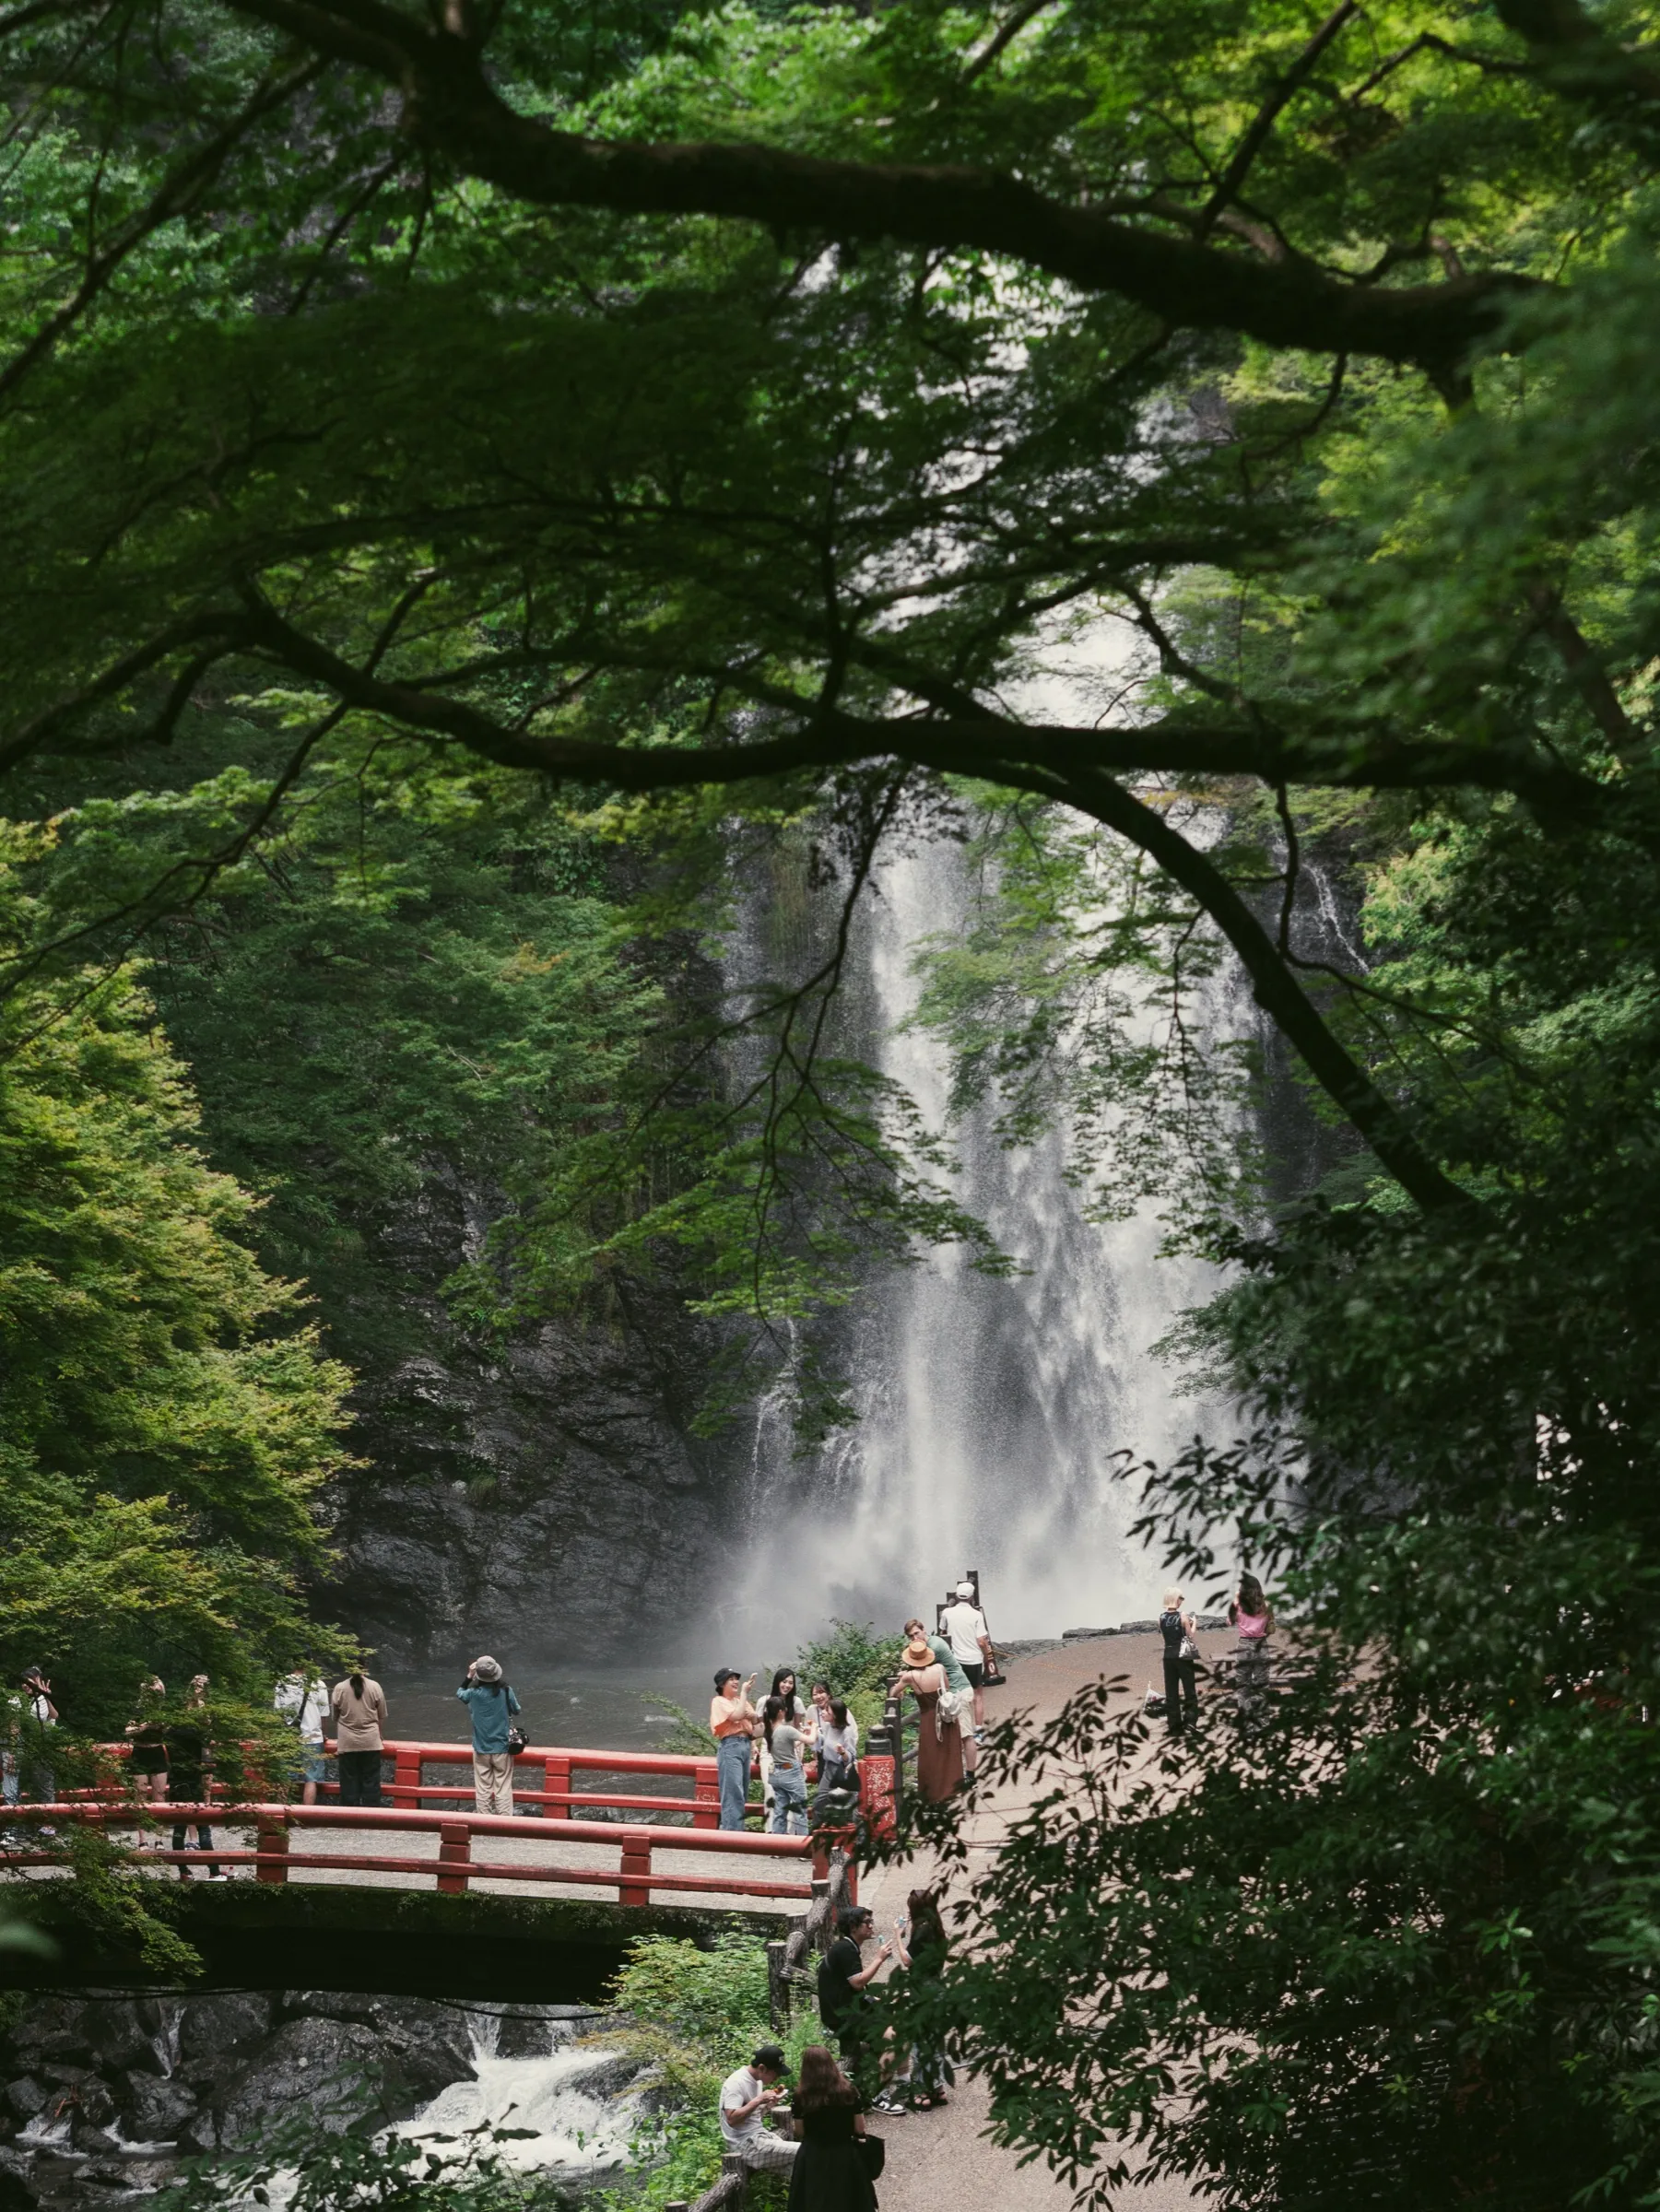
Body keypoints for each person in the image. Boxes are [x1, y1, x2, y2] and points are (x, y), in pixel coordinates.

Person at [877, 1887, 951, 2113]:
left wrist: (899, 1935)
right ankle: (937, 2087)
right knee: (936, 2040)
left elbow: (908, 1960)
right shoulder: (938, 1928)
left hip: (923, 1992)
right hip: (938, 1988)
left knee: (920, 2042)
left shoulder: (921, 1932)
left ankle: (921, 2093)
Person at [786, 2043, 878, 2210]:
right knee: (849, 2200)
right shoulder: (849, 2091)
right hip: (844, 2153)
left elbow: (800, 2132)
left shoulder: (800, 2096)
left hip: (813, 2156)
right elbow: (859, 2128)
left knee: (813, 2200)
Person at [817, 1903, 893, 2088]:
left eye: (871, 1921)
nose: (871, 1926)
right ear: (853, 1927)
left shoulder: (848, 1947)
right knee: (893, 2035)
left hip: (848, 2010)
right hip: (841, 2017)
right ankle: (879, 2092)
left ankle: (878, 2072)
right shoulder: (845, 1949)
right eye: (866, 1922)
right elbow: (857, 1983)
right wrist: (878, 1959)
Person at [890, 1624, 964, 1800]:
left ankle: (933, 1794)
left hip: (929, 1717)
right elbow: (946, 1688)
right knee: (948, 1752)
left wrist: (900, 1684)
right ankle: (951, 1790)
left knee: (931, 1756)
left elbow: (893, 1693)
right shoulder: (940, 1669)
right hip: (946, 1715)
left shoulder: (910, 1677)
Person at [168, 1676, 223, 1877]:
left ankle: (183, 1871)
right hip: (194, 1778)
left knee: (178, 1828)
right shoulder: (199, 1731)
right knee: (204, 1827)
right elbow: (206, 1755)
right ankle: (214, 1871)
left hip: (176, 1779)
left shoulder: (173, 1729)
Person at [719, 2041, 799, 2177]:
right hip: (746, 2145)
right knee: (808, 2151)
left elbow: (752, 2117)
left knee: (803, 2168)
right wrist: (758, 2100)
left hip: (760, 2137)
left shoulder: (756, 2081)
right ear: (762, 2068)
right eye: (776, 2073)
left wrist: (768, 2105)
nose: (777, 2078)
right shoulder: (737, 2082)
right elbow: (732, 2119)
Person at [456, 1655, 523, 1817]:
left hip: (481, 1747)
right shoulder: (506, 1690)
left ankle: (484, 1822)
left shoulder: (472, 1693)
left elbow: (460, 1692)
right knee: (503, 1787)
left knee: (483, 1788)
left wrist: (469, 1676)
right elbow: (517, 1710)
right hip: (502, 1748)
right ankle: (504, 1822)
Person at [940, 1582, 995, 1734]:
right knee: (977, 1695)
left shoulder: (946, 1612)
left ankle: (959, 1730)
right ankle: (977, 1732)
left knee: (957, 1694)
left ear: (956, 1596)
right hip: (974, 1660)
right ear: (971, 1597)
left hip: (955, 1660)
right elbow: (981, 1641)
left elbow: (942, 1633)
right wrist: (986, 1655)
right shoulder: (977, 1615)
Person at [924, 1627, 980, 1776]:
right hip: (953, 1692)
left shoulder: (933, 1648)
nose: (914, 1638)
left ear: (923, 1630)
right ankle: (954, 1774)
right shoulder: (932, 1642)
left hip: (959, 1692)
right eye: (911, 1636)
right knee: (956, 1735)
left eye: (916, 1633)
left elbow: (922, 1668)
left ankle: (970, 1776)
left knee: (966, 1735)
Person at [331, 1666, 389, 1806]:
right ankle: (371, 1816)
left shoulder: (340, 1688)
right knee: (371, 1781)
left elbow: (335, 1715)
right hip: (371, 1741)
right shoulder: (375, 1686)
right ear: (366, 1667)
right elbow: (381, 1715)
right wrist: (380, 1734)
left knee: (348, 1782)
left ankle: (350, 1817)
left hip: (347, 1742)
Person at [710, 1669, 759, 1830]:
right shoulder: (719, 1701)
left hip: (745, 1744)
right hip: (730, 1746)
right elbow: (738, 1716)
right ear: (722, 1684)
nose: (736, 1682)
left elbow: (754, 1717)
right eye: (731, 1679)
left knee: (742, 1790)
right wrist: (745, 1693)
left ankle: (736, 1831)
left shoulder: (739, 1700)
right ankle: (731, 1833)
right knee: (733, 1792)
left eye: (737, 1679)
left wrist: (753, 1744)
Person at [273, 1668, 330, 1806]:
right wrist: (323, 1734)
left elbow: (277, 1714)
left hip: (287, 1737)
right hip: (312, 1737)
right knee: (311, 1779)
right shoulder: (318, 1684)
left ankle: (280, 1815)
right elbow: (324, 1715)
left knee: (284, 1778)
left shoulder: (282, 1683)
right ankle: (306, 1817)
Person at [125, 1676, 170, 1838]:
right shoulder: (137, 1710)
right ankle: (142, 1839)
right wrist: (145, 1726)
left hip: (157, 1752)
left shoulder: (163, 1711)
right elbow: (128, 1731)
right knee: (140, 1797)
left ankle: (159, 1838)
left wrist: (164, 1726)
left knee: (160, 1796)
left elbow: (167, 1732)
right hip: (140, 1752)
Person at [760, 1668, 807, 1821]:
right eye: (784, 1681)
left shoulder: (796, 1702)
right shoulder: (764, 1701)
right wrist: (753, 1748)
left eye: (790, 1683)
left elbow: (798, 1728)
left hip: (789, 1752)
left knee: (793, 1793)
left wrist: (799, 1756)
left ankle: (789, 1835)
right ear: (777, 1682)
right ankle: (771, 1834)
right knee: (770, 1789)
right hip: (769, 1750)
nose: (787, 1685)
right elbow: (757, 1728)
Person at [1230, 1571, 1276, 1727]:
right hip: (1261, 1645)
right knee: (1262, 1686)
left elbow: (1229, 1621)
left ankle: (1246, 1722)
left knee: (1243, 1686)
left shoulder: (1238, 1605)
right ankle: (1263, 1721)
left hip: (1243, 1646)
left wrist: (1235, 1600)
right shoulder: (1266, 1606)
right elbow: (1271, 1626)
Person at [19, 1668, 58, 1835]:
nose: (25, 1685)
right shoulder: (25, 1700)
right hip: (30, 1749)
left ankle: (49, 1825)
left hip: (43, 1749)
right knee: (34, 1788)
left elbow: (50, 1717)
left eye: (29, 1682)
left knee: (45, 1787)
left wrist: (46, 1696)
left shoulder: (42, 1698)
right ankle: (37, 1825)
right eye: (23, 1682)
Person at [1158, 1588, 1199, 1737]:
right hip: (1183, 1655)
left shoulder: (1161, 1617)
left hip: (1168, 1655)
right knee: (1189, 1689)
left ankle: (1174, 1725)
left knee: (1171, 1691)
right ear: (1176, 1599)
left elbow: (1164, 1635)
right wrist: (1194, 1623)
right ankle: (1190, 1722)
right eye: (1180, 1598)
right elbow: (1190, 1635)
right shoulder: (1183, 1616)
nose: (1182, 1601)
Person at [814, 1698, 860, 1819]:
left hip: (842, 1771)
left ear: (834, 1714)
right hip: (828, 1768)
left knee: (849, 1807)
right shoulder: (828, 1727)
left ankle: (856, 1836)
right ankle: (819, 1833)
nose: (822, 1712)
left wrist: (843, 1752)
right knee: (819, 1802)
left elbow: (850, 1757)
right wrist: (814, 1734)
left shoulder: (847, 1732)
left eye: (826, 1710)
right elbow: (826, 1743)